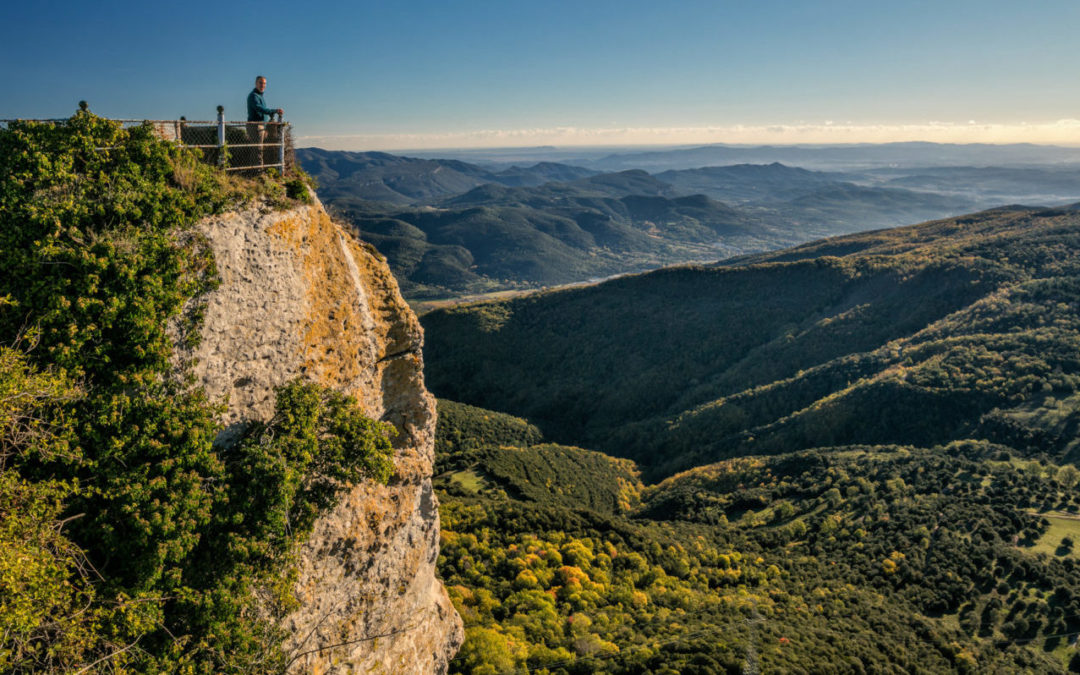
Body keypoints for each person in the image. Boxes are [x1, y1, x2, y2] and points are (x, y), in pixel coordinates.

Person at [246, 76, 284, 165]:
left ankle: (256, 170)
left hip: (261, 125)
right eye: (260, 83)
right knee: (257, 149)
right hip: (255, 126)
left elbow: (263, 109)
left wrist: (271, 113)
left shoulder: (259, 96)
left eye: (264, 83)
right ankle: (258, 172)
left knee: (259, 149)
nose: (263, 85)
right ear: (256, 83)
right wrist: (273, 111)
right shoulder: (253, 96)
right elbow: (260, 109)